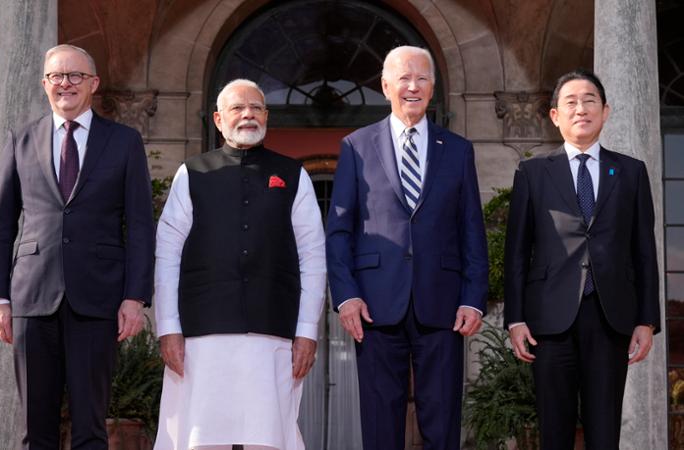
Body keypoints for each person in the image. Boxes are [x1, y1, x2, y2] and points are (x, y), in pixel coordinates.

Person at [0, 44, 155, 449]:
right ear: (44, 84)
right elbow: (0, 224)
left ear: (93, 84)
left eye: (75, 75)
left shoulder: (124, 142)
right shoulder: (21, 140)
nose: (66, 83)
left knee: (91, 427)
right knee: (34, 429)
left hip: (98, 301)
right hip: (31, 299)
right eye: (56, 76)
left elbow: (142, 226)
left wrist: (135, 297)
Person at [325, 46, 488, 450]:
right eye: (403, 78)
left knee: (443, 420)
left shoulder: (459, 150)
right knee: (381, 424)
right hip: (376, 308)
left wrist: (473, 299)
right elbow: (339, 231)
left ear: (433, 87)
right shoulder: (356, 147)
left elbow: (472, 229)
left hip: (444, 306)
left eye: (421, 79)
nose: (412, 87)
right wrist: (346, 297)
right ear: (385, 86)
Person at [153, 78, 326, 450]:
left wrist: (308, 331)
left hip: (272, 330)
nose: (247, 114)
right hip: (201, 334)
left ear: (266, 116)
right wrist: (168, 328)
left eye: (256, 107)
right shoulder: (193, 173)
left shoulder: (294, 175)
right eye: (237, 108)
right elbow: (167, 254)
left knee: (269, 437)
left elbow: (313, 255)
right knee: (200, 437)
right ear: (218, 119)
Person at [504, 69, 660, 450]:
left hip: (610, 318)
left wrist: (646, 320)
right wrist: (515, 318)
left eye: (590, 101)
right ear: (555, 115)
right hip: (549, 321)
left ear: (605, 111)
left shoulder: (631, 172)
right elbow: (517, 251)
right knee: (553, 432)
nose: (581, 109)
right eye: (571, 102)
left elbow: (644, 250)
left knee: (604, 432)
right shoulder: (533, 172)